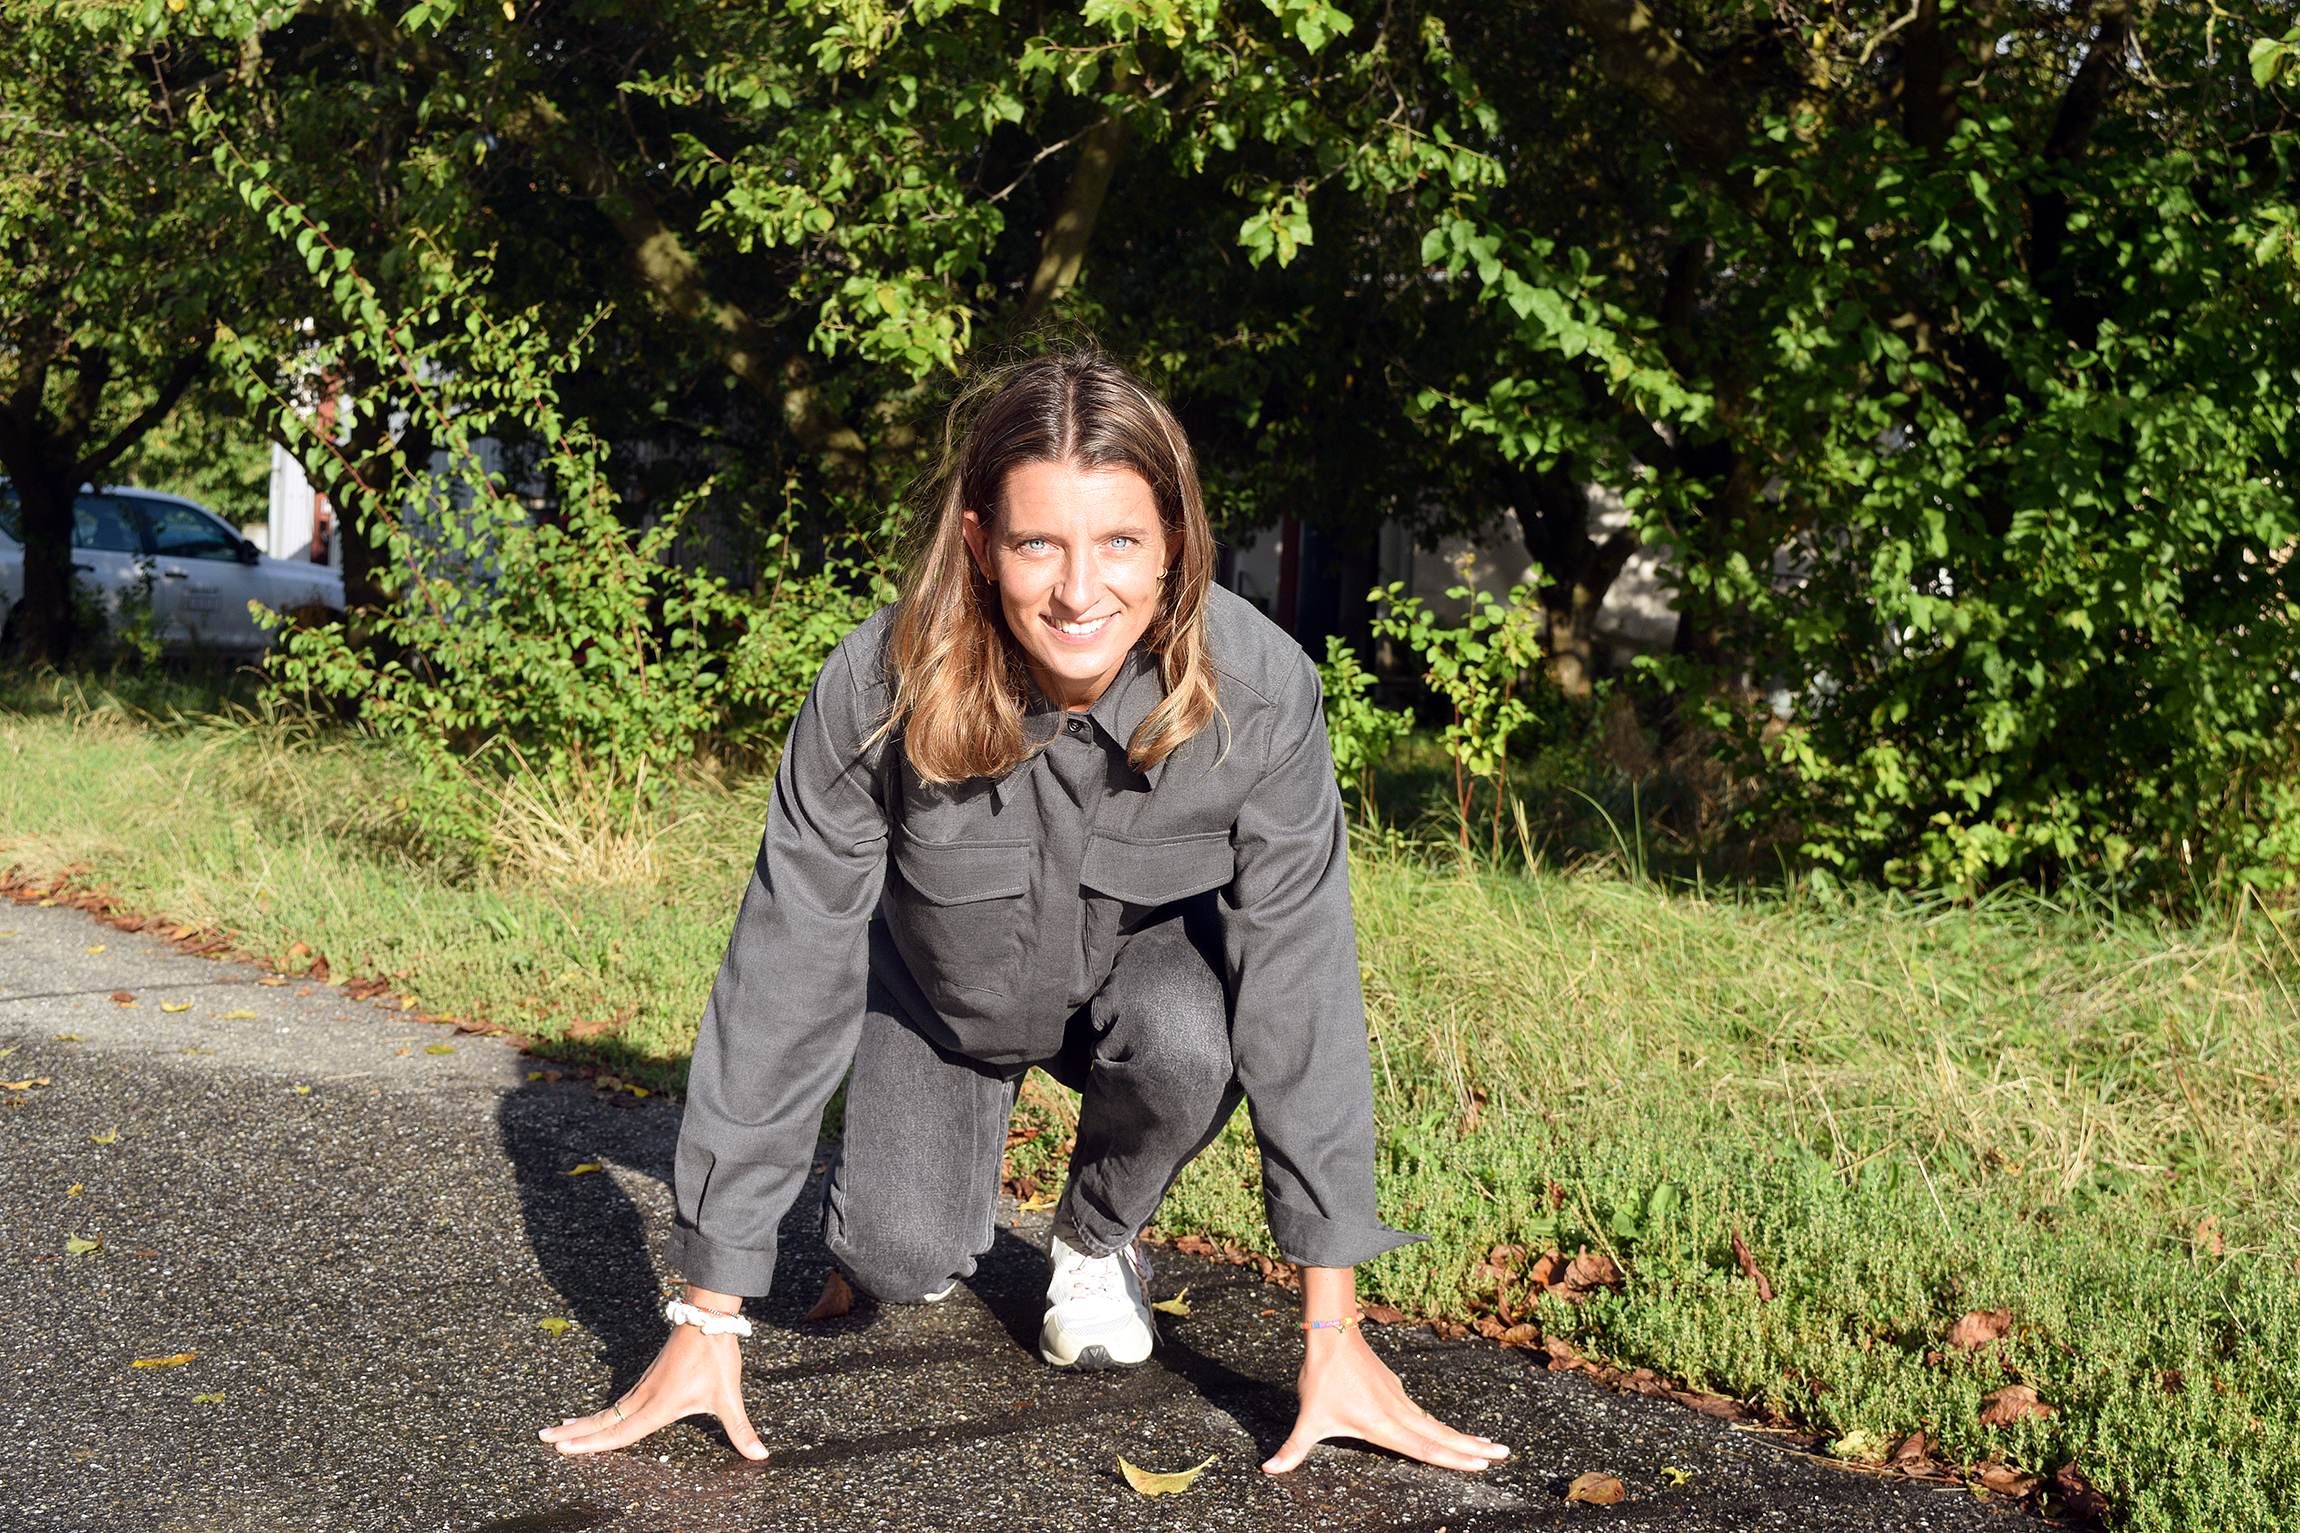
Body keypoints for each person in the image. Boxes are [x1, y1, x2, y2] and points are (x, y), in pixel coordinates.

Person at [539, 351, 1508, 1477]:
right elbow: (783, 971)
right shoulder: (871, 690)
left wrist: (1332, 1335)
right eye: (1037, 542)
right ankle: (906, 1211)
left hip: (1137, 1000)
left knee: (1198, 1027)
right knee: (898, 1262)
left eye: (1120, 544)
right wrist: (708, 1315)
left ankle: (1095, 1241)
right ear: (978, 542)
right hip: (941, 999)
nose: (1078, 590)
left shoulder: (1264, 695)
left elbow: (1300, 990)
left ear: (1176, 546)